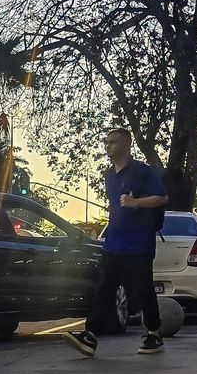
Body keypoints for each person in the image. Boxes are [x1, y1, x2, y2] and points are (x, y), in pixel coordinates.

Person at [64, 128, 169, 358]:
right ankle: (90, 335)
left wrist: (136, 202)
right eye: (107, 142)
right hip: (114, 244)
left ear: (126, 145)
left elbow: (162, 197)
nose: (108, 146)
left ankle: (154, 334)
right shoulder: (109, 175)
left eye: (113, 142)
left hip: (139, 244)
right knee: (104, 290)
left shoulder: (143, 171)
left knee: (144, 289)